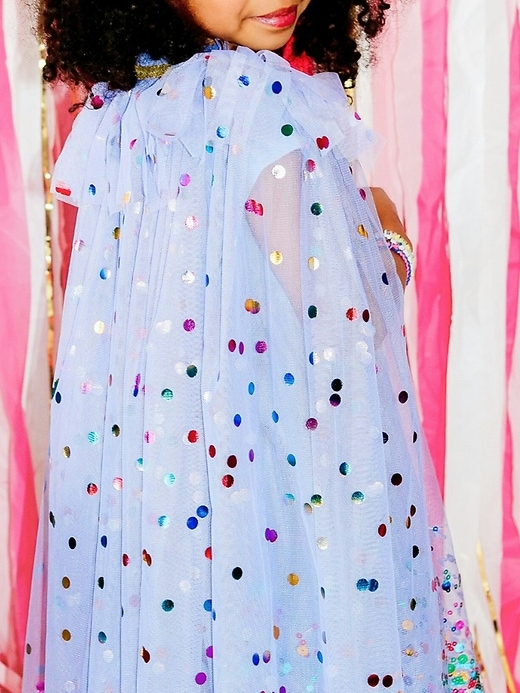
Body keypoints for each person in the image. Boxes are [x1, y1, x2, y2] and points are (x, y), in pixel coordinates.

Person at [23, 1, 483, 691]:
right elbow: (347, 320)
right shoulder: (258, 102)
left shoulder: (123, 112)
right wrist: (388, 236)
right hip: (268, 494)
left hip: (157, 518)